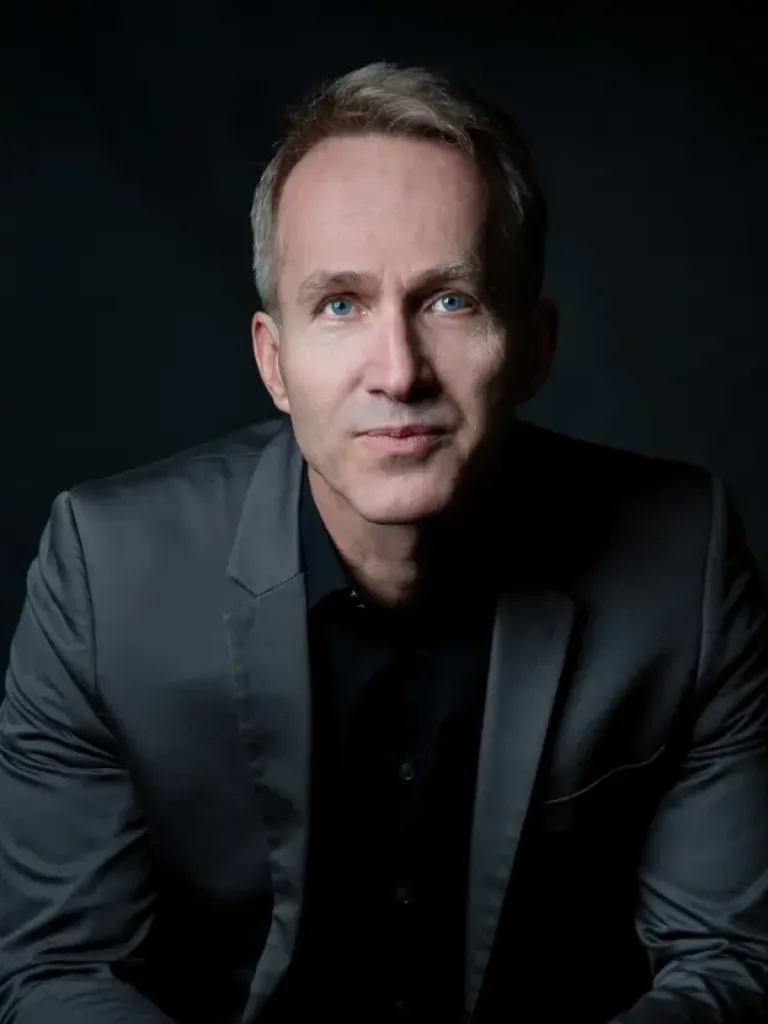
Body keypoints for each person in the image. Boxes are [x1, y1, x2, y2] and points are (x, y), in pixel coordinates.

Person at [1, 60, 767, 1024]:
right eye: (339, 304)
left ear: (534, 346)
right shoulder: (105, 573)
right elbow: (58, 969)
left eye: (450, 300)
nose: (398, 373)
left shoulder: (684, 561)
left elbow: (728, 959)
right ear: (274, 361)